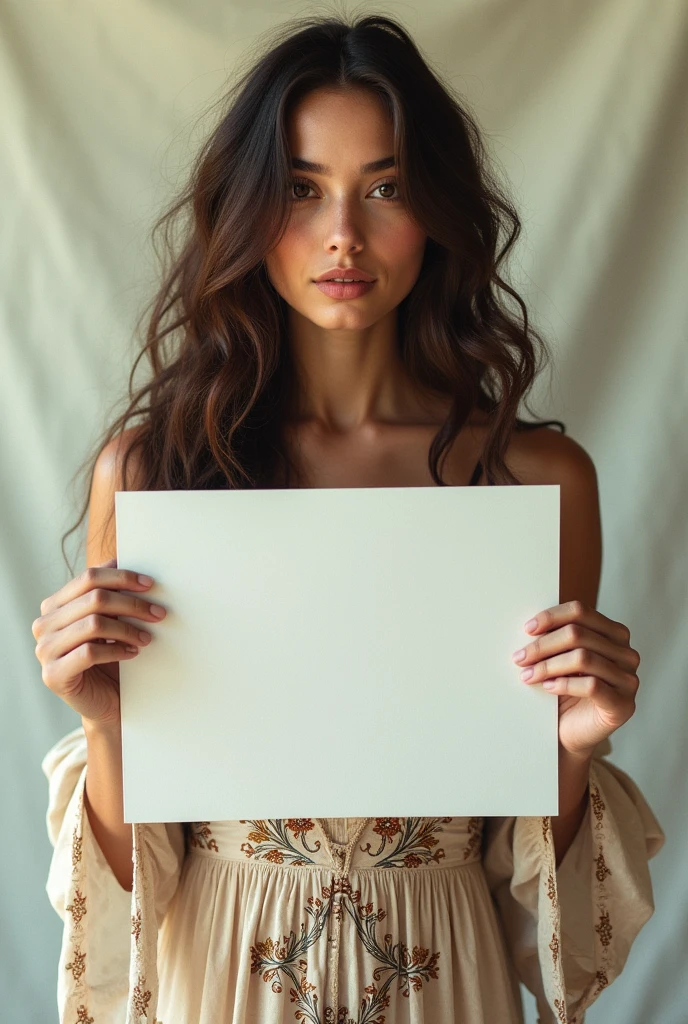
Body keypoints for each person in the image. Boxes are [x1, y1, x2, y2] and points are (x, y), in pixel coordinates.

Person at [35, 13, 664, 1024]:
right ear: (244, 208)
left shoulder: (531, 481)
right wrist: (108, 726)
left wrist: (577, 744)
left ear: (435, 208)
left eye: (383, 187)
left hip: (440, 969)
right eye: (299, 187)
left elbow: (539, 901)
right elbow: (121, 920)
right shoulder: (159, 472)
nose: (342, 233)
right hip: (225, 969)